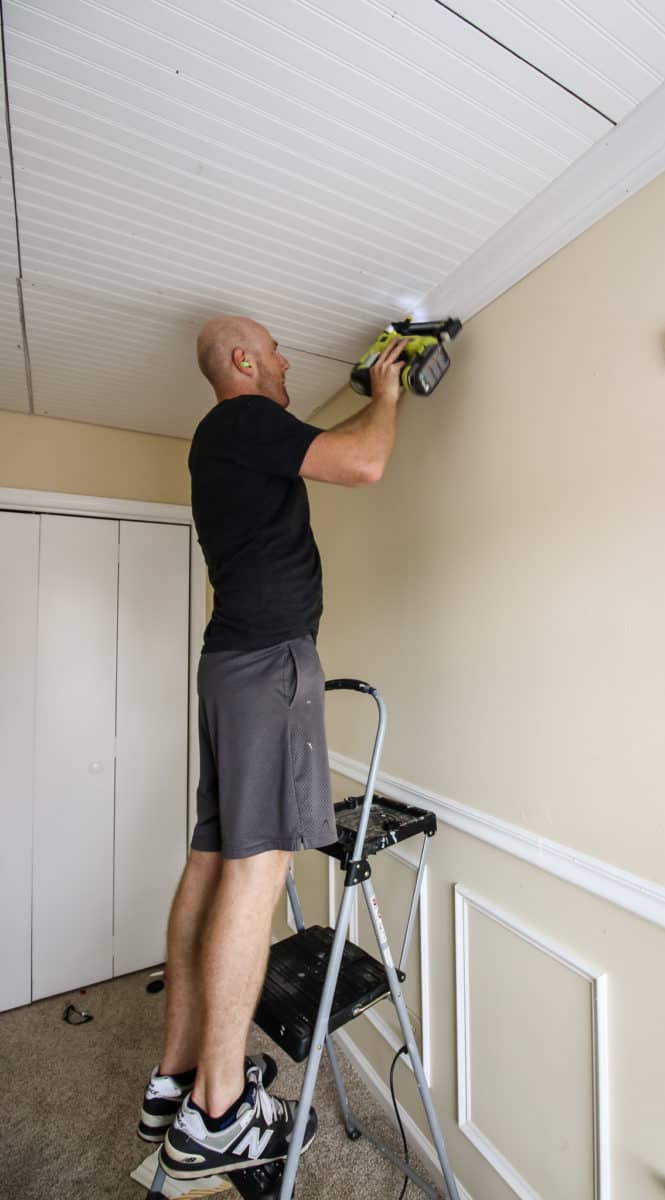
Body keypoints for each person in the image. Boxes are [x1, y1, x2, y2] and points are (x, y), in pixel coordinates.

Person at [138, 315, 408, 1181]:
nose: (290, 361)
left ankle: (175, 1079)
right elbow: (363, 461)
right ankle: (219, 1112)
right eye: (279, 351)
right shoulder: (244, 418)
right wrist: (391, 392)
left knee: (213, 862)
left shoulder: (216, 446)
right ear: (245, 362)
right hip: (267, 666)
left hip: (228, 665)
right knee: (259, 869)